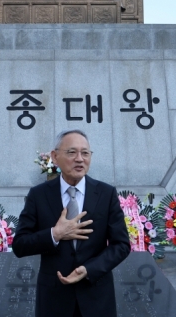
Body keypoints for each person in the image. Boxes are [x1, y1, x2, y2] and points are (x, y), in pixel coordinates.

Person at [12, 129, 130, 317]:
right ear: (55, 157)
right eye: (71, 152)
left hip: (97, 296)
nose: (79, 159)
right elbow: (20, 245)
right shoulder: (39, 195)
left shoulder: (106, 194)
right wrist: (55, 234)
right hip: (54, 299)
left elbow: (121, 245)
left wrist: (89, 269)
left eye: (85, 153)